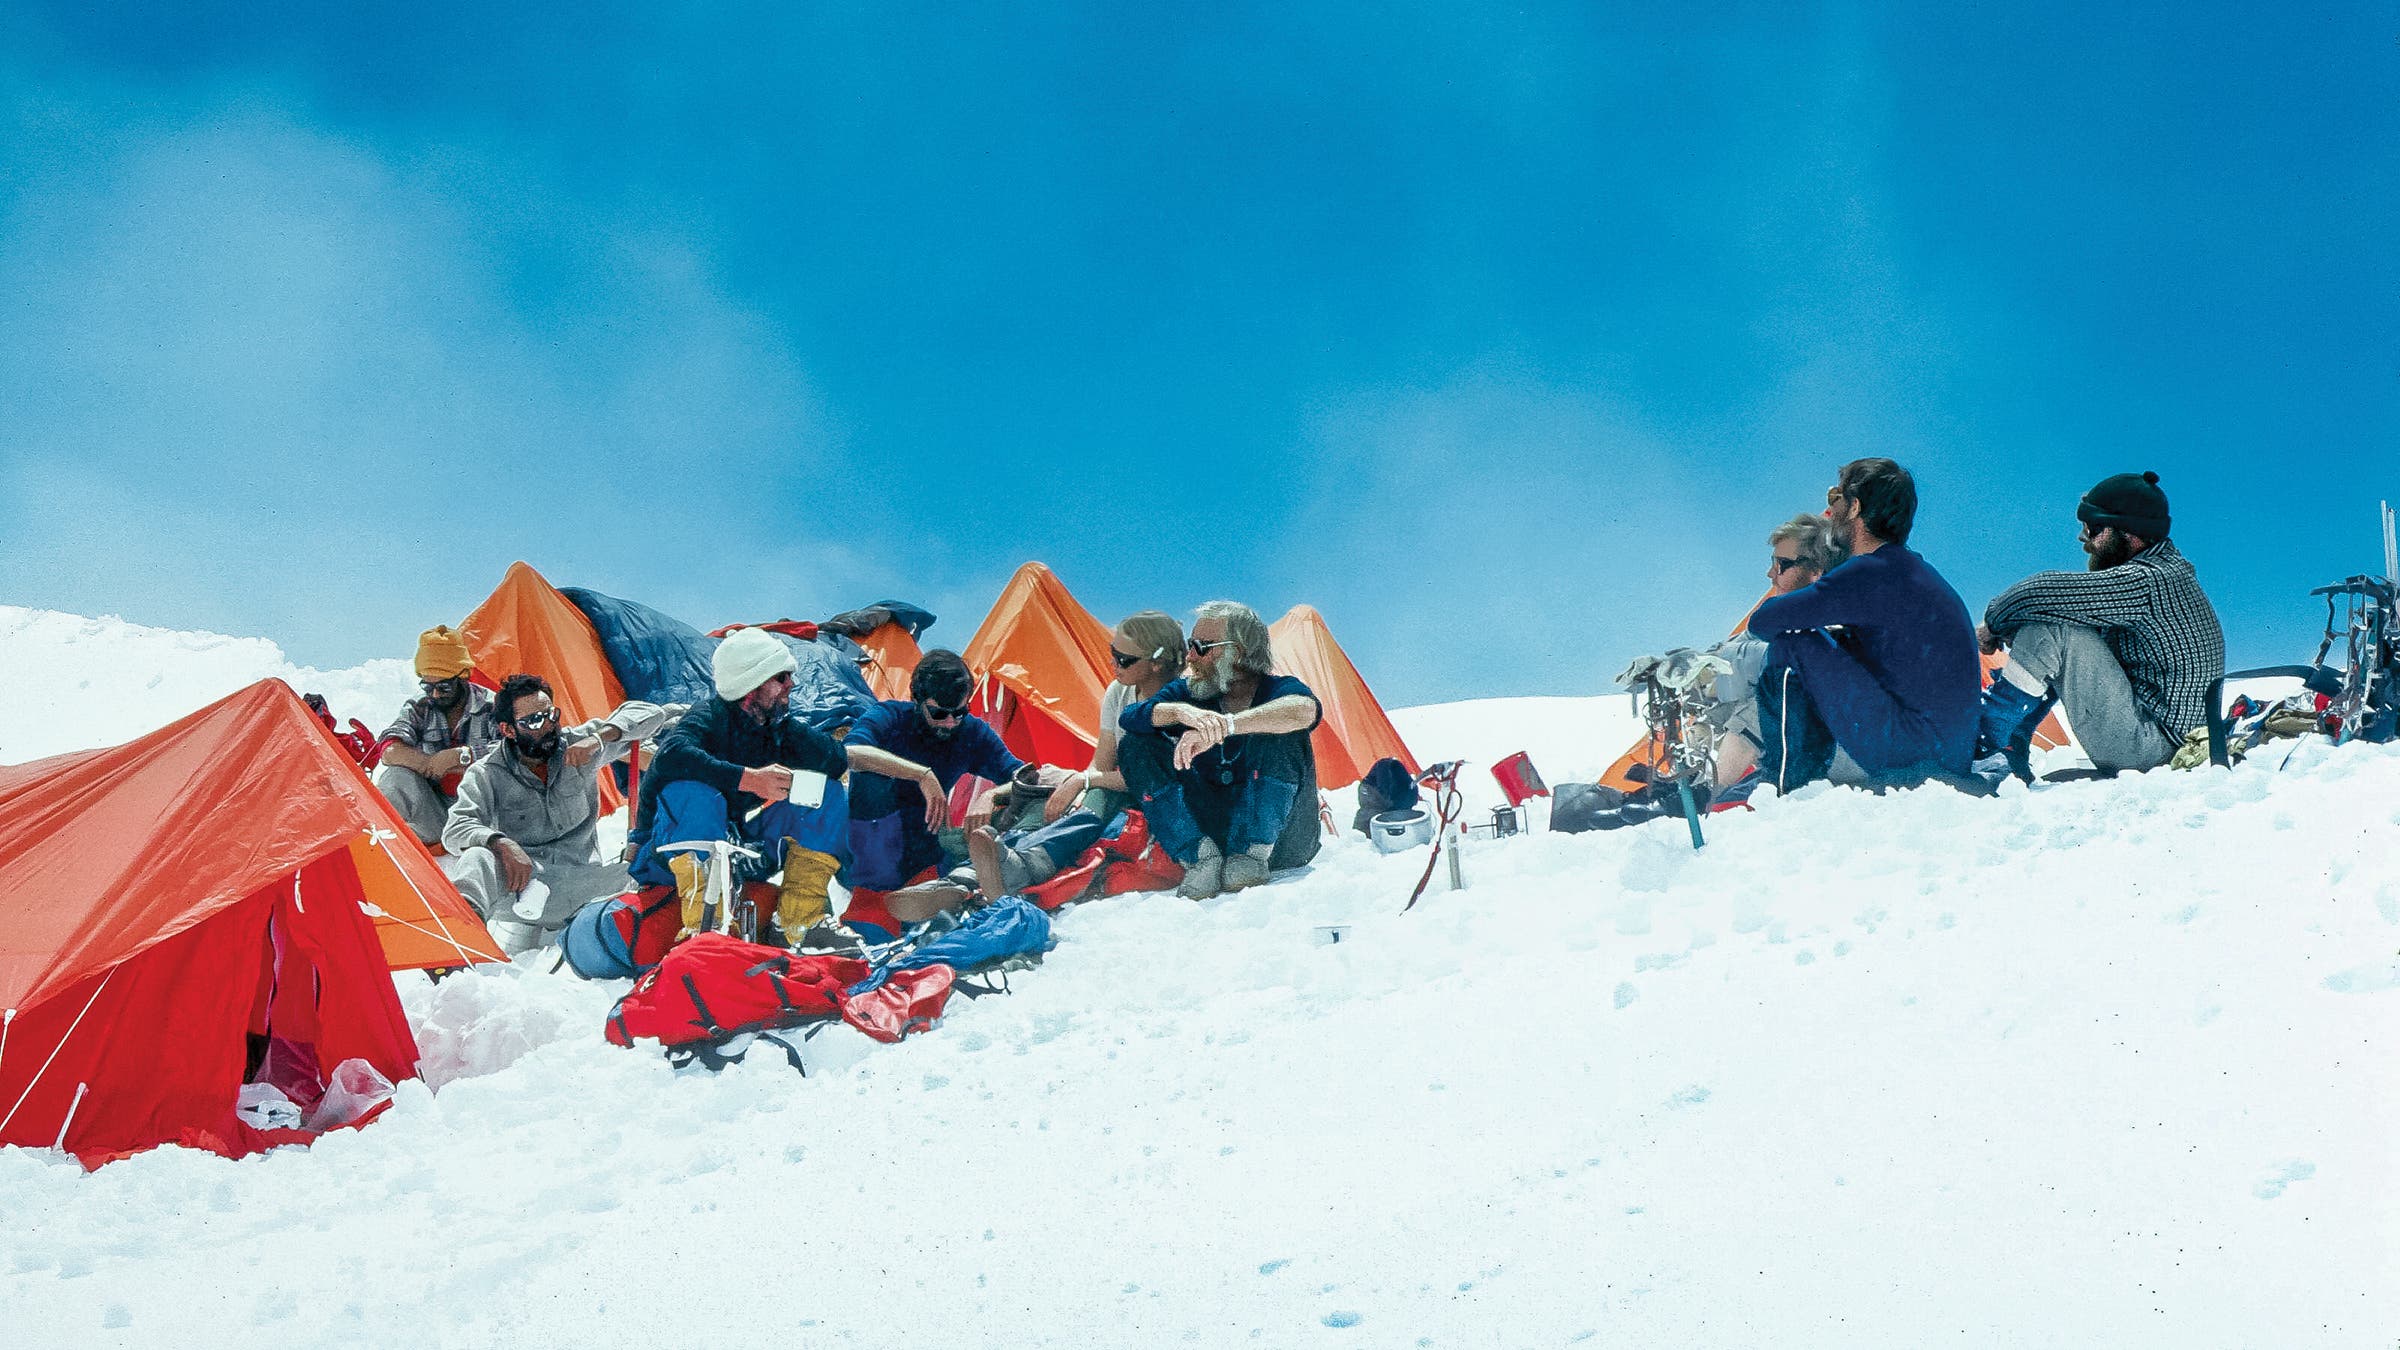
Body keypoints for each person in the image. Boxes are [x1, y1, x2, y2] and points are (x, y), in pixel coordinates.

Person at [1747, 459, 1982, 791]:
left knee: (1793, 642)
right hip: (1948, 751)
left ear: (1855, 507)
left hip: (1918, 754)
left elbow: (1764, 621)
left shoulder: (1868, 573)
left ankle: (1786, 782)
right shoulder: (1910, 571)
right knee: (1833, 641)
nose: (1831, 511)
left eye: (1836, 497)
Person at [1976, 471, 2224, 779]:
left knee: (2053, 627)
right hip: (2159, 739)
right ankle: (2011, 743)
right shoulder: (2163, 574)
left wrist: (1992, 625)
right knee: (2068, 620)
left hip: (2154, 746)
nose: (2084, 538)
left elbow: (2039, 592)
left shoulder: (2146, 581)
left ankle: (1985, 745)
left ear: (2130, 533)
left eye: (2093, 529)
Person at [625, 627, 855, 949]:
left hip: (738, 848)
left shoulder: (778, 728)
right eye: (781, 677)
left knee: (824, 792)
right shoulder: (708, 717)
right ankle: (706, 929)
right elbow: (670, 756)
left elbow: (836, 760)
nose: (791, 684)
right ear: (751, 683)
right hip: (666, 856)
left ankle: (798, 922)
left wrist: (795, 776)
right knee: (694, 792)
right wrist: (749, 778)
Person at [440, 674, 676, 954]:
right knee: (477, 857)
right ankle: (458, 944)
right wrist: (500, 843)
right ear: (508, 730)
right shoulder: (487, 772)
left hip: (584, 884)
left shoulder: (576, 745)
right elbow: (455, 828)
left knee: (656, 864)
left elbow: (652, 713)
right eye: (534, 721)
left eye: (550, 714)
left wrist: (598, 739)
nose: (549, 726)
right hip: (522, 886)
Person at [962, 610, 1186, 897]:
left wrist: (1084, 782)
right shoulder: (1119, 691)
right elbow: (1101, 762)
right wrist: (1078, 783)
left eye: (1124, 659)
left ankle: (1029, 862)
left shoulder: (1180, 702)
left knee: (1097, 792)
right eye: (1113, 652)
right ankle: (991, 862)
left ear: (1156, 664)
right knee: (1049, 783)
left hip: (1164, 798)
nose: (1113, 663)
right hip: (1125, 787)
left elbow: (1153, 779)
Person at [1118, 600, 1322, 899]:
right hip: (1217, 835)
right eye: (1190, 645)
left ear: (1236, 652)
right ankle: (1199, 857)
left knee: (1281, 729)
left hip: (1282, 844)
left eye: (1201, 647)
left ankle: (1252, 854)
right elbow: (1131, 717)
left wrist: (1227, 726)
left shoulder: (1278, 689)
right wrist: (1179, 713)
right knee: (1136, 744)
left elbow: (1305, 710)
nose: (1190, 657)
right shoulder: (1190, 693)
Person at [839, 649, 1031, 939]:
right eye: (939, 713)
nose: (950, 722)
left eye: (959, 712)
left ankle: (951, 892)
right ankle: (873, 899)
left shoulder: (970, 732)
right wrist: (921, 774)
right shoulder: (890, 717)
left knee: (1015, 806)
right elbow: (850, 753)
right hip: (866, 851)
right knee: (872, 779)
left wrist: (990, 796)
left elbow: (1025, 777)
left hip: (923, 848)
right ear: (917, 700)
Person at [1709, 513, 1851, 788]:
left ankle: (1707, 793)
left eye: (1782, 564)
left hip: (1848, 755)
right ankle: (1694, 788)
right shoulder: (1780, 618)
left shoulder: (1842, 621)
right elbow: (1732, 652)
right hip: (1804, 748)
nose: (1771, 573)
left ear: (1816, 571)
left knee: (1772, 691)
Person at [373, 625, 503, 845]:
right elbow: (389, 749)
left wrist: (462, 756)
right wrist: (429, 764)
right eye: (427, 686)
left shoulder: (492, 705)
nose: (434, 694)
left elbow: (513, 752)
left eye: (443, 687)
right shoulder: (421, 706)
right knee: (396, 776)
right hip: (434, 811)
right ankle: (383, 844)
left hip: (484, 813)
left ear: (463, 677)